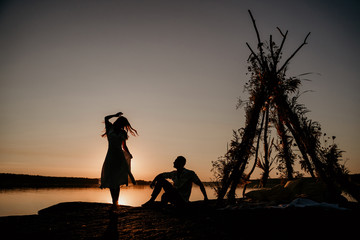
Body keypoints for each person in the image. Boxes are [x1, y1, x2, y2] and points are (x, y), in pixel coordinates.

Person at [100, 112, 138, 209]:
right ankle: (114, 201)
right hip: (110, 156)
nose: (122, 126)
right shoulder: (110, 128)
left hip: (120, 157)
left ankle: (116, 202)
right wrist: (115, 115)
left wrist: (129, 153)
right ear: (118, 122)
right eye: (121, 123)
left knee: (116, 181)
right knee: (111, 179)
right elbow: (106, 117)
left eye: (123, 125)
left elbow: (124, 146)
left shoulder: (122, 133)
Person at [142, 156, 208, 207]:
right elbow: (160, 175)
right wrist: (153, 182)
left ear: (181, 163)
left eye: (175, 161)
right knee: (161, 182)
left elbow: (200, 184)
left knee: (166, 194)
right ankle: (153, 201)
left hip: (182, 199)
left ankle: (155, 203)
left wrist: (205, 197)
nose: (173, 162)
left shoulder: (190, 173)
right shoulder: (174, 173)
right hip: (173, 196)